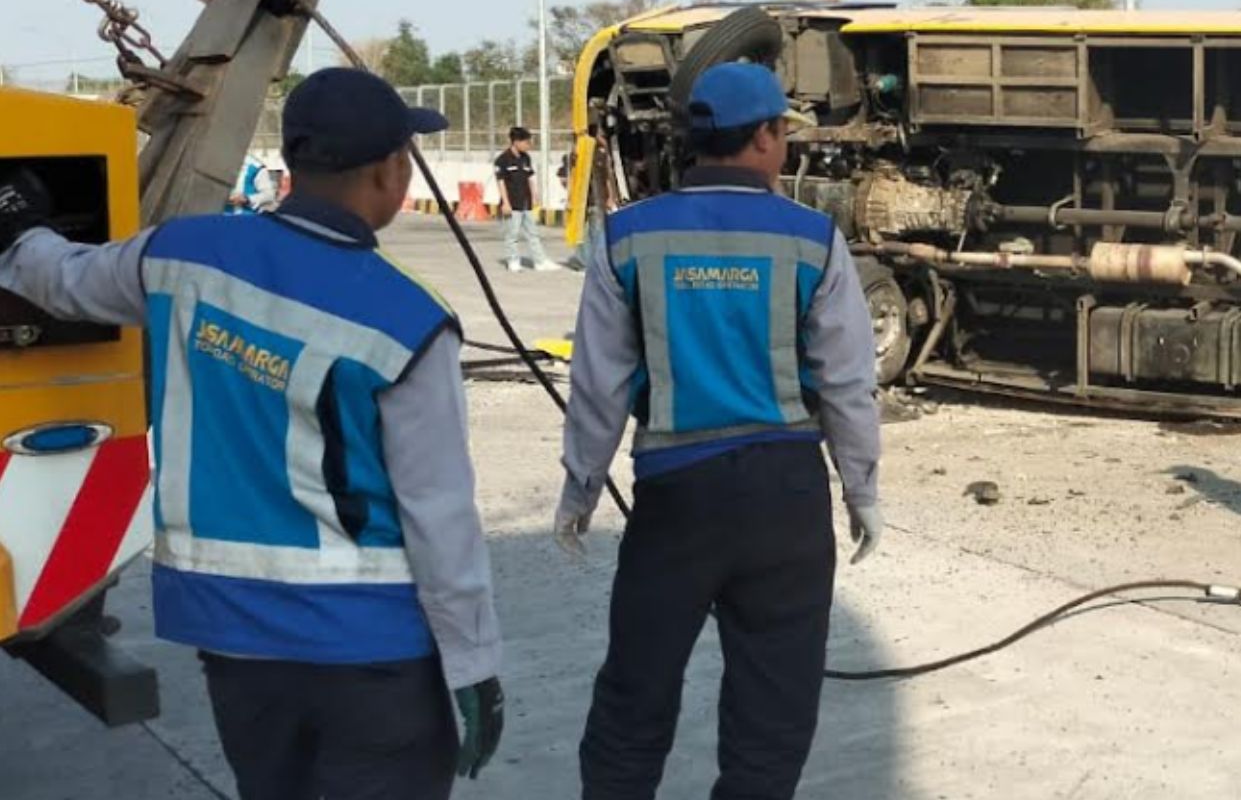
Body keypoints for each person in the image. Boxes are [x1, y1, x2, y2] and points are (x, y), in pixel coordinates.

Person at [0, 66, 506, 797]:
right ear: (391, 172)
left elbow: (64, 277)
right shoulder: (408, 320)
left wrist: (18, 229)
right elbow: (441, 515)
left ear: (293, 165)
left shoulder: (180, 256)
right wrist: (473, 663)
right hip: (370, 650)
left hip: (233, 641)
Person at [554, 61, 883, 799]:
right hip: (786, 500)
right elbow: (848, 387)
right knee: (773, 712)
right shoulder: (815, 240)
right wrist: (861, 489)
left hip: (676, 495)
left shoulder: (627, 236)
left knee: (635, 694)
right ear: (766, 137)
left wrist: (578, 486)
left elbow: (598, 383)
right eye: (783, 134)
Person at [495, 125, 561, 272]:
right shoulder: (502, 160)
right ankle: (513, 261)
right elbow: (500, 182)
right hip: (512, 203)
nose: (528, 145)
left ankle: (540, 261)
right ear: (516, 142)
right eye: (526, 142)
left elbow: (530, 177)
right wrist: (505, 203)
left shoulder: (526, 158)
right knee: (512, 234)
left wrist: (535, 194)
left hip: (526, 202)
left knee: (533, 233)